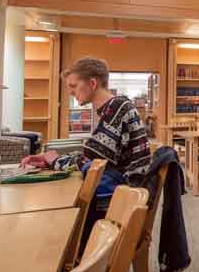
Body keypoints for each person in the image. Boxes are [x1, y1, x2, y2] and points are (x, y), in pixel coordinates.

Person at [62, 57, 152, 250]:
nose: (70, 91)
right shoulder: (110, 109)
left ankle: (83, 254)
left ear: (93, 83)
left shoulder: (118, 107)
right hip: (123, 189)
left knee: (69, 211)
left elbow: (95, 157)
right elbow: (94, 152)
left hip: (124, 195)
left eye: (74, 85)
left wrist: (54, 160)